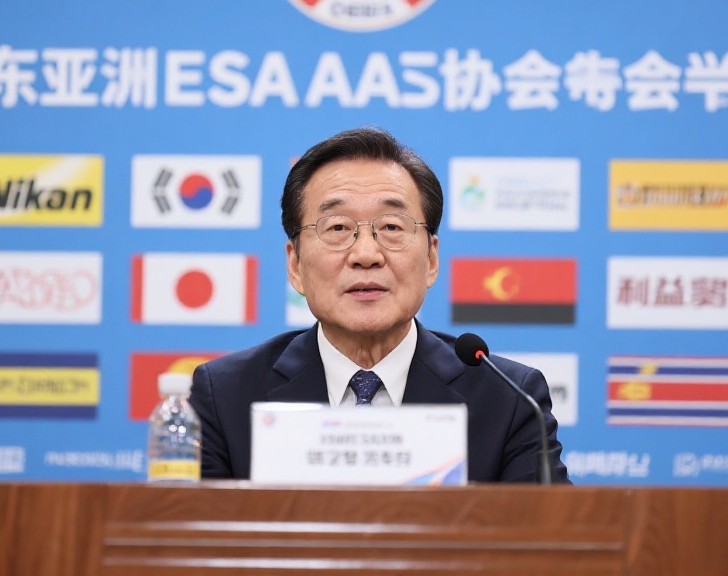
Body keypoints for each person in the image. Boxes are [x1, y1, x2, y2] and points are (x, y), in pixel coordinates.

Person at [190, 126, 570, 483]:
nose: (366, 255)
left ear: (431, 260)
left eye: (391, 227)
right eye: (337, 228)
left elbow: (549, 530)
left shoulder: (509, 399)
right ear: (295, 265)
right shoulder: (225, 396)